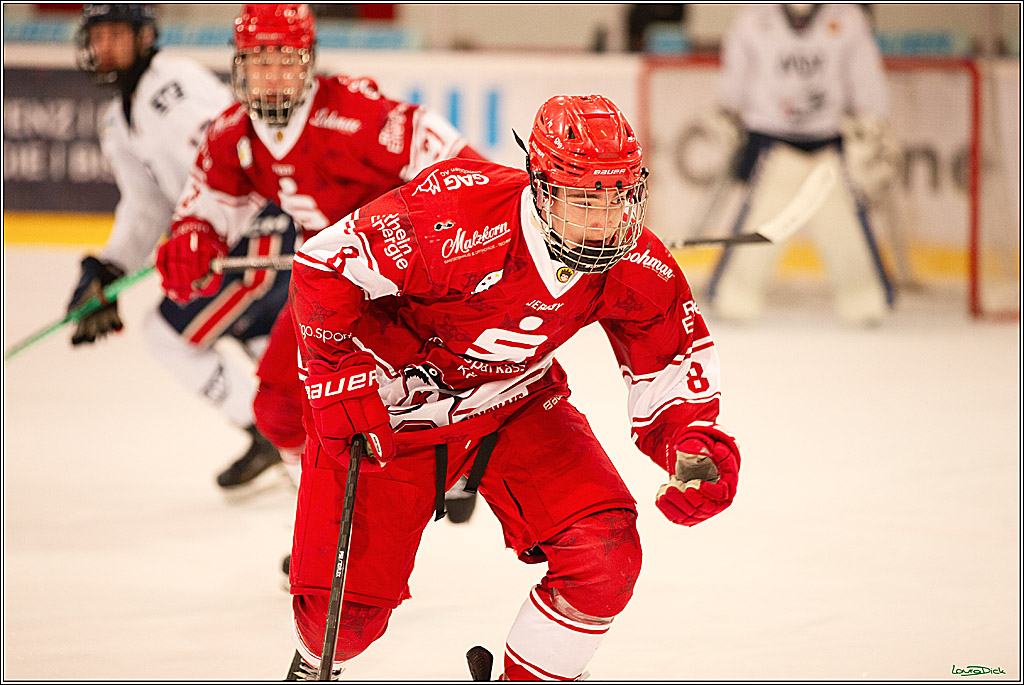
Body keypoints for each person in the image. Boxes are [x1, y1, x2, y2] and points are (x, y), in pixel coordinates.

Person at [281, 94, 740, 679]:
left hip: (513, 404)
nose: (605, 221)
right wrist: (334, 375)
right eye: (584, 199)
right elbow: (324, 265)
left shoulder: (634, 261)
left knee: (604, 557)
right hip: (391, 417)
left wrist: (690, 443)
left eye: (618, 196)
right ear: (542, 188)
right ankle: (310, 663)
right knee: (342, 626)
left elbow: (670, 351)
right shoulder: (454, 213)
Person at [154, 4, 485, 523]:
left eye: (285, 61)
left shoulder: (356, 115)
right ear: (239, 66)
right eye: (260, 62)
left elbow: (463, 169)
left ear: (309, 62)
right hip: (323, 289)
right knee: (279, 413)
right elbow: (207, 205)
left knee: (412, 403)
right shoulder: (232, 134)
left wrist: (471, 232)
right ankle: (324, 523)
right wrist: (194, 238)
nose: (272, 76)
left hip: (402, 286)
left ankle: (455, 457)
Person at [66, 3, 295, 491]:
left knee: (167, 335)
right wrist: (109, 268)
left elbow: (232, 159)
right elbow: (146, 206)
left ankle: (271, 434)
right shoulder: (118, 120)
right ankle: (320, 441)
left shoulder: (172, 86)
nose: (104, 46)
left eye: (115, 34)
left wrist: (204, 231)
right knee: (271, 346)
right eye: (97, 36)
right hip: (227, 238)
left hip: (253, 233)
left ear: (145, 35)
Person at [707, 3, 895, 325]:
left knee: (843, 227)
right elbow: (734, 82)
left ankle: (866, 297)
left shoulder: (847, 18)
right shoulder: (753, 19)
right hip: (769, 139)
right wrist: (727, 110)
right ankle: (733, 294)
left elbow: (866, 81)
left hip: (828, 139)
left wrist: (872, 121)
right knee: (759, 227)